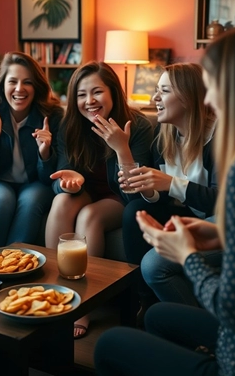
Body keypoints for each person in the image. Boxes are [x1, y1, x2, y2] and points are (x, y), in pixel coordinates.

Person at [94, 21, 235, 375]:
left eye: (213, 86)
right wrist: (220, 234)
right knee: (157, 315)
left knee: (110, 343)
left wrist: (187, 256)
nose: (210, 99)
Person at [45, 61, 153, 338]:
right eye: (81, 95)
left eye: (97, 92)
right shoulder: (70, 125)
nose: (89, 101)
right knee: (61, 203)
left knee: (89, 216)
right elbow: (60, 179)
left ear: (113, 92)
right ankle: (54, 292)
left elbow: (135, 192)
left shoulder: (137, 125)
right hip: (86, 191)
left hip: (119, 195)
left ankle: (84, 305)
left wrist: (122, 148)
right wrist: (69, 185)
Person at [120, 63, 219, 316]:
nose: (155, 98)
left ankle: (198, 327)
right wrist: (147, 185)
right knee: (134, 209)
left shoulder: (219, 138)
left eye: (163, 90)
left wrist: (170, 183)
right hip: (186, 215)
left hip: (216, 222)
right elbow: (162, 196)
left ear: (187, 97)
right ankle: (144, 303)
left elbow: (222, 201)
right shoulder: (162, 137)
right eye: (157, 90)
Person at [0, 51, 64, 248]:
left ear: (36, 86)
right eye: (13, 81)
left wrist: (45, 153)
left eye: (27, 82)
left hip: (34, 184)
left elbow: (49, 178)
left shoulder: (52, 115)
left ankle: (16, 267)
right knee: (1, 200)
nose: (20, 89)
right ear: (3, 84)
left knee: (31, 200)